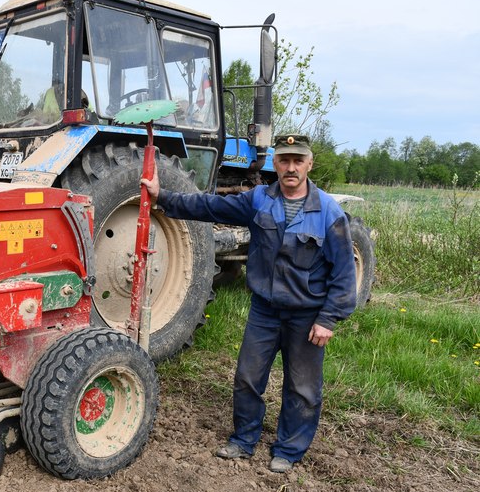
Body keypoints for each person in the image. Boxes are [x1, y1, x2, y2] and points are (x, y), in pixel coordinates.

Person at [141, 134, 357, 473]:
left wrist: (328, 318)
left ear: (309, 164)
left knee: (302, 387)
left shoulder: (329, 213)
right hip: (265, 311)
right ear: (276, 163)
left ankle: (288, 449)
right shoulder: (259, 200)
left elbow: (344, 273)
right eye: (284, 160)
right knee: (247, 377)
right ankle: (244, 440)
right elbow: (211, 206)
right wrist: (163, 197)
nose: (290, 167)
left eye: (297, 161)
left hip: (306, 315)